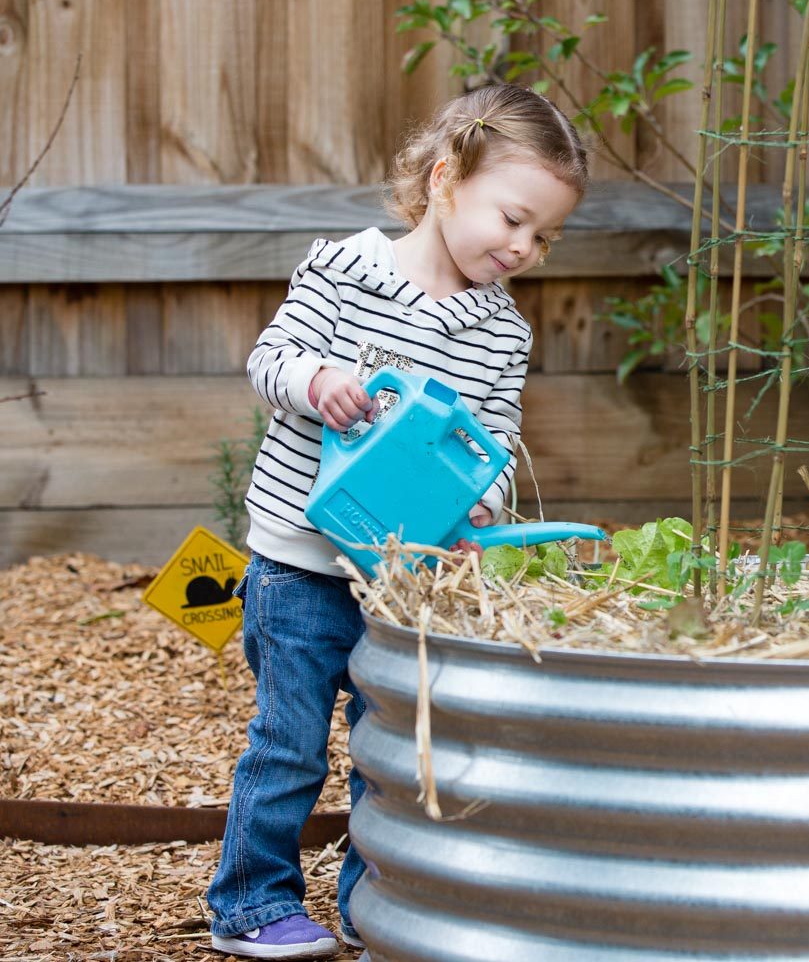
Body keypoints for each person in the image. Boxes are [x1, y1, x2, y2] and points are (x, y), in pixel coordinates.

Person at [207, 82, 588, 960]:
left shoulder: (501, 332)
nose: (526, 248)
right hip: (300, 565)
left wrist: (479, 505)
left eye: (545, 236)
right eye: (514, 219)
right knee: (290, 744)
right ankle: (251, 903)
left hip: (402, 576)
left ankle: (373, 905)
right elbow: (271, 359)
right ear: (447, 178)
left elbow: (493, 441)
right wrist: (316, 383)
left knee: (389, 754)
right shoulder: (347, 270)